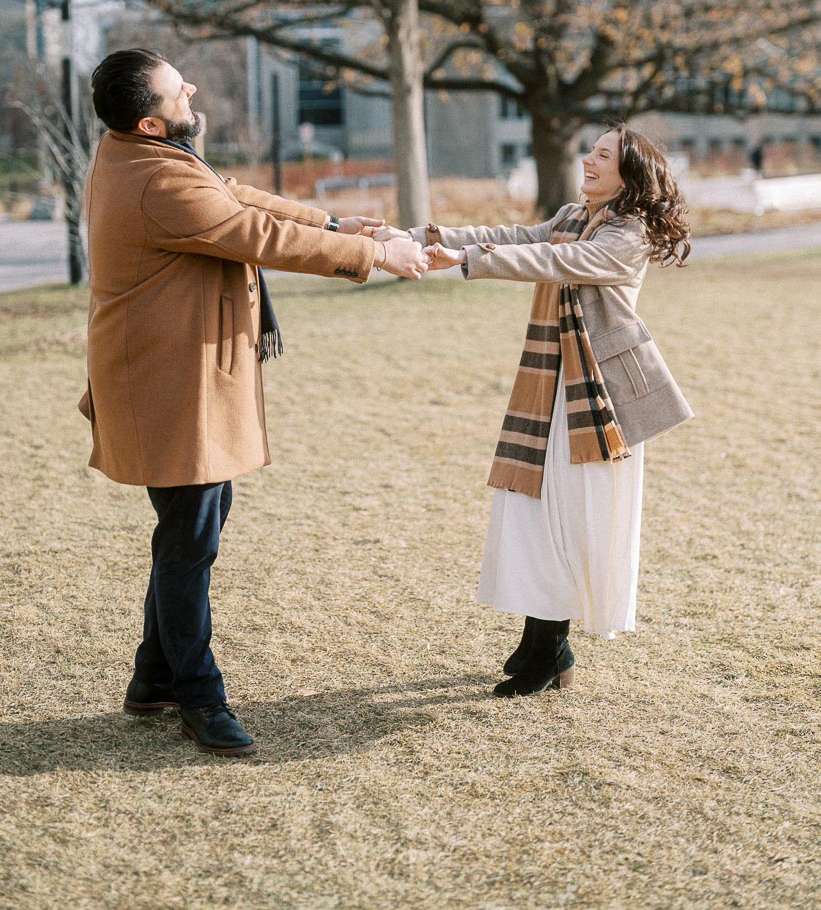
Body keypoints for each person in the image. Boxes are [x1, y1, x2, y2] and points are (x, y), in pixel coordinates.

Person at [80, 47, 427, 756]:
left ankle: (154, 678)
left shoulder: (145, 156)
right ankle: (198, 695)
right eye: (180, 90)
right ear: (151, 123)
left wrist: (340, 226)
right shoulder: (158, 183)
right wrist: (373, 256)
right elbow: (252, 234)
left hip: (172, 378)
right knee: (190, 538)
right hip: (166, 387)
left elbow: (235, 196)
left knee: (194, 524)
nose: (193, 89)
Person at [412, 124, 693, 696]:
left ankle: (547, 647)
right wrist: (422, 236)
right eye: (590, 149)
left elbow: (548, 260)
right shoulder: (572, 215)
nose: (588, 159)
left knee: (577, 517)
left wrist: (466, 259)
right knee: (539, 513)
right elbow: (513, 233)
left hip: (599, 397)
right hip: (553, 381)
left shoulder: (627, 234)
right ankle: (545, 643)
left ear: (629, 173)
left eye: (603, 154)